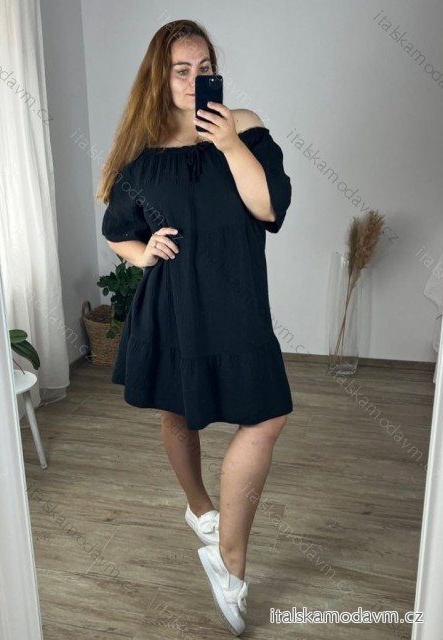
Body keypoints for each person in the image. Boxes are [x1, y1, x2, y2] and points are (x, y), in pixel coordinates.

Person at [96, 19, 293, 637]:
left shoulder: (246, 127)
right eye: (181, 70)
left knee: (267, 417)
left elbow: (269, 207)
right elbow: (117, 231)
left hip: (238, 302)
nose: (193, 79)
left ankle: (228, 557)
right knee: (177, 412)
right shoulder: (141, 154)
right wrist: (144, 253)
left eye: (204, 68)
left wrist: (229, 143)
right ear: (159, 76)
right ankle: (200, 509)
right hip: (173, 304)